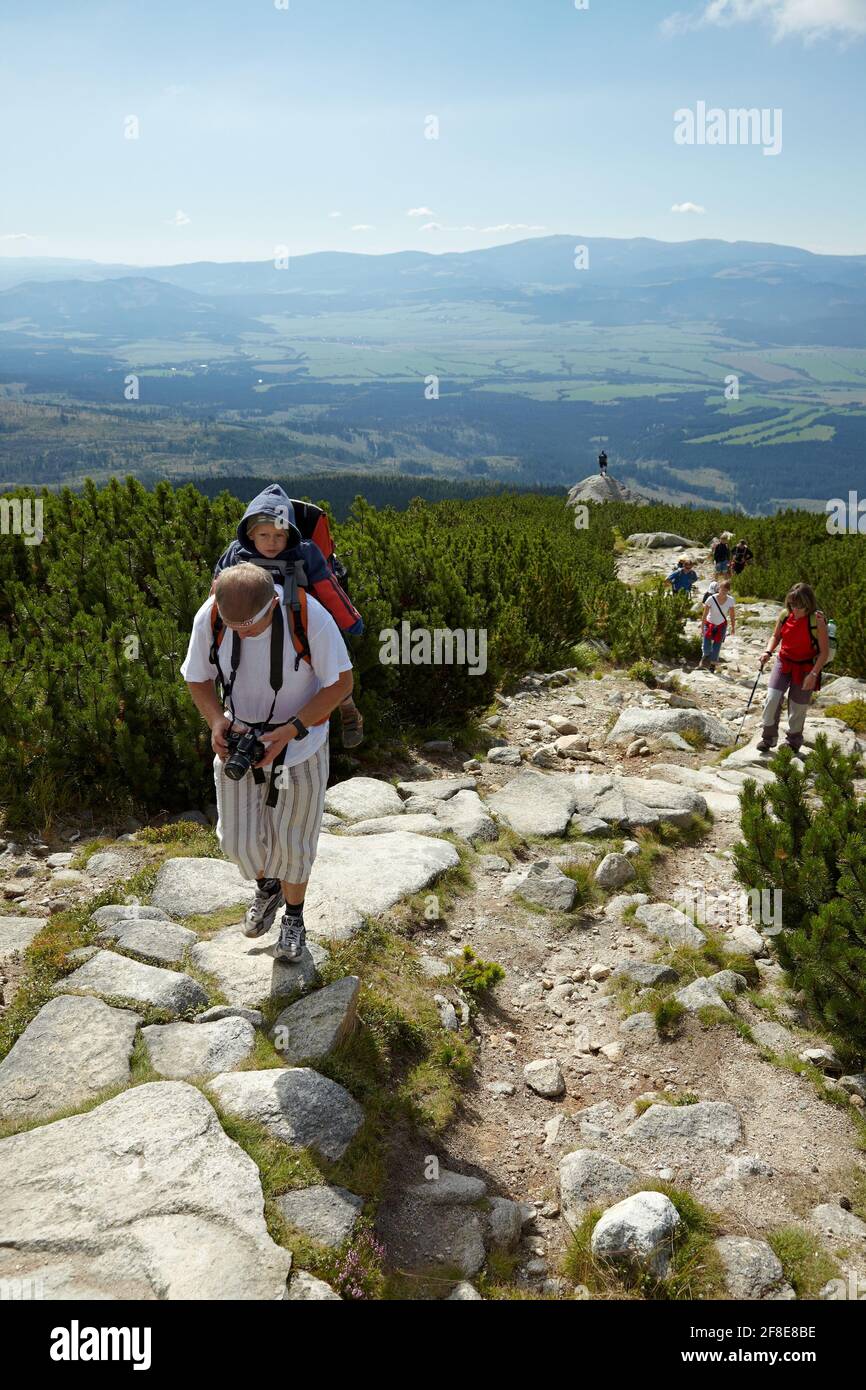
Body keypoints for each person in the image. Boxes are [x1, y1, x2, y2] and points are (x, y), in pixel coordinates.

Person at [182, 563, 354, 960]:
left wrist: (292, 729)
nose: (241, 632)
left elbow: (342, 683)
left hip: (301, 744)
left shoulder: (310, 617)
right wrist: (215, 720)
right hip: (240, 740)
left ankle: (294, 919)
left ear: (274, 603)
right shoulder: (211, 616)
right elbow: (197, 676)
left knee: (293, 842)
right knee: (236, 842)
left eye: (250, 625)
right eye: (233, 625)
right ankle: (268, 887)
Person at [212, 484, 365, 748]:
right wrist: (213, 623)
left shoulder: (304, 552)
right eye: (264, 535)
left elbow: (329, 589)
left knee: (336, 662)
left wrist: (349, 621)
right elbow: (219, 591)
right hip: (251, 624)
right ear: (250, 533)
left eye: (279, 536)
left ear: (289, 535)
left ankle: (347, 707)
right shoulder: (235, 553)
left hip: (302, 623)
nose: (271, 542)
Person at [756, 582, 830, 755]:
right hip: (784, 661)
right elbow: (776, 636)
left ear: (808, 604)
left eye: (800, 606)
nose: (795, 610)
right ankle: (768, 738)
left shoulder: (817, 621)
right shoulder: (785, 615)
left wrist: (813, 674)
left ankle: (793, 742)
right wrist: (768, 651)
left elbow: (824, 653)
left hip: (806, 667)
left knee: (798, 707)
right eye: (792, 605)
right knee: (772, 699)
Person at [700, 579, 735, 672]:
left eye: (726, 590)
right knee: (706, 646)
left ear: (728, 591)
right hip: (709, 623)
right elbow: (705, 614)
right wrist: (702, 627)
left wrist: (733, 627)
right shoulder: (711, 598)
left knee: (717, 646)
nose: (723, 592)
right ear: (719, 588)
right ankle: (705, 658)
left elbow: (732, 614)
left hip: (721, 625)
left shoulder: (731, 600)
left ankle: (712, 666)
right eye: (722, 589)